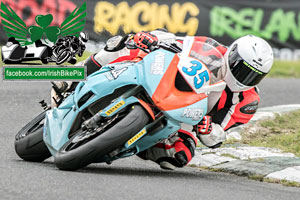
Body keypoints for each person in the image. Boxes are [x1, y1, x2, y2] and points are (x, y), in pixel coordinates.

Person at [53, 30, 274, 170]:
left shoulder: (247, 102)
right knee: (123, 43)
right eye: (242, 69)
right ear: (232, 55)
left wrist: (209, 131)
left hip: (185, 117)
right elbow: (175, 41)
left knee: (180, 156)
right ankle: (73, 76)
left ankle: (122, 142)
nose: (245, 78)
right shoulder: (210, 47)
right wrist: (151, 38)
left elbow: (219, 135)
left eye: (254, 75)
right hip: (164, 80)